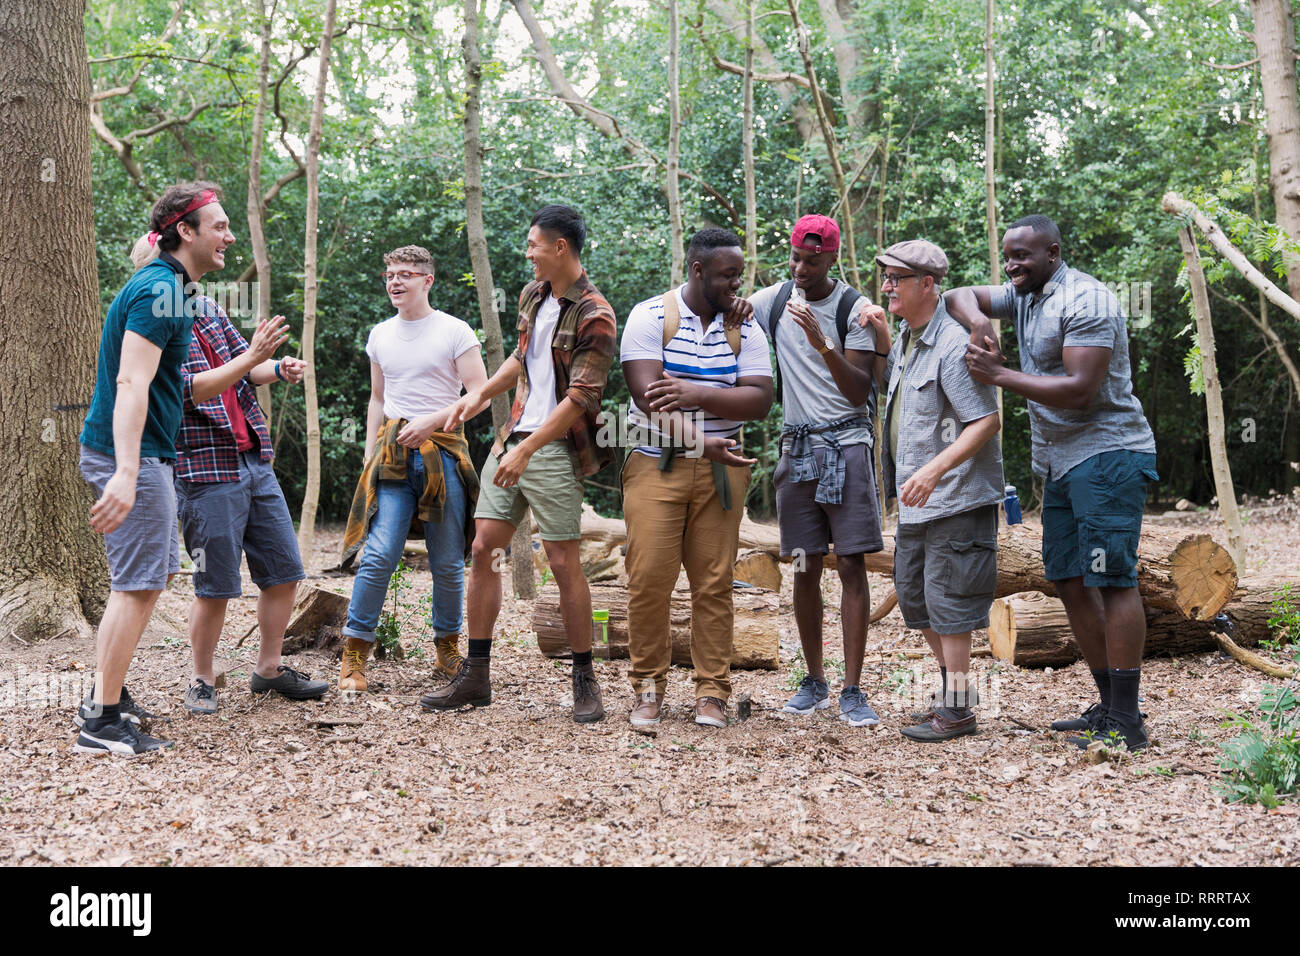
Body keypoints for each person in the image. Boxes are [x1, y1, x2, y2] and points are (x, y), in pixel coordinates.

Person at [945, 215, 1158, 750]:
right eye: (1008, 257)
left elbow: (1082, 389)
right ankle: (1108, 706)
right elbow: (957, 293)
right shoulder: (1026, 295)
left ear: (1053, 253)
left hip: (1107, 457)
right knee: (1068, 579)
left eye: (1023, 256)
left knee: (1111, 580)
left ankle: (1128, 722)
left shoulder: (1087, 300)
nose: (1012, 266)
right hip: (1060, 464)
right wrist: (977, 324)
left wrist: (999, 375)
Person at [422, 205, 617, 723]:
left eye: (533, 245)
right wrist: (479, 395)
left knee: (561, 559)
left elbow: (581, 398)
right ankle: (477, 674)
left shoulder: (596, 313)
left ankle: (584, 679)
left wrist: (530, 450)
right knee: (484, 548)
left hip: (553, 446)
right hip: (513, 437)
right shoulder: (534, 295)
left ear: (560, 248)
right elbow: (520, 358)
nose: (527, 253)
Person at [75, 181, 229, 755]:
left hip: (149, 455)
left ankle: (105, 695)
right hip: (131, 455)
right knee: (137, 585)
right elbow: (131, 381)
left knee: (151, 576)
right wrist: (125, 470)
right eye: (218, 225)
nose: (228, 236)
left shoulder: (174, 289)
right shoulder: (158, 288)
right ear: (184, 231)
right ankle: (101, 721)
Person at [155, 235, 328, 713]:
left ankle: (269, 671)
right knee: (216, 585)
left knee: (283, 572)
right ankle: (202, 679)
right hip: (205, 468)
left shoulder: (207, 307)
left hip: (254, 459)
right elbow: (190, 390)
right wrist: (251, 358)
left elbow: (246, 367)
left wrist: (277, 366)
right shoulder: (156, 316)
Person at [619, 228, 774, 729]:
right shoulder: (649, 317)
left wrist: (694, 392)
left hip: (723, 469)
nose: (737, 283)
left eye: (740, 273)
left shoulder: (744, 327)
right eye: (728, 274)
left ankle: (712, 692)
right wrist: (698, 439)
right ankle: (647, 690)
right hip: (655, 464)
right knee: (648, 582)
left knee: (713, 584)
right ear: (698, 271)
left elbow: (759, 400)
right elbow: (648, 398)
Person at [746, 214, 890, 727]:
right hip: (799, 445)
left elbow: (858, 391)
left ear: (831, 258)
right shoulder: (776, 299)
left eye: (812, 261)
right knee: (805, 565)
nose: (801, 269)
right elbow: (734, 310)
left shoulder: (855, 309)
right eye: (795, 259)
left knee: (851, 565)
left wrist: (820, 341)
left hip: (847, 441)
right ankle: (814, 680)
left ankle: (852, 688)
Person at [336, 245, 487, 695]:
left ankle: (446, 652)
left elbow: (478, 394)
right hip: (394, 457)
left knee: (446, 561)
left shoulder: (455, 331)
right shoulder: (380, 334)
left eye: (404, 274)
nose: (394, 282)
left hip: (443, 454)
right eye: (389, 275)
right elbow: (378, 399)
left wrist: (432, 421)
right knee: (380, 554)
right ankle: (354, 655)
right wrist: (368, 453)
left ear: (428, 281)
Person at [876, 240, 1003, 743]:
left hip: (956, 496)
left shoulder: (953, 344)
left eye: (896, 279)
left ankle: (957, 710)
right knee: (916, 599)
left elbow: (986, 420)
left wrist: (933, 470)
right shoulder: (909, 338)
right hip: (917, 503)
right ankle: (955, 696)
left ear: (927, 284)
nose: (886, 286)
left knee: (950, 602)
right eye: (884, 277)